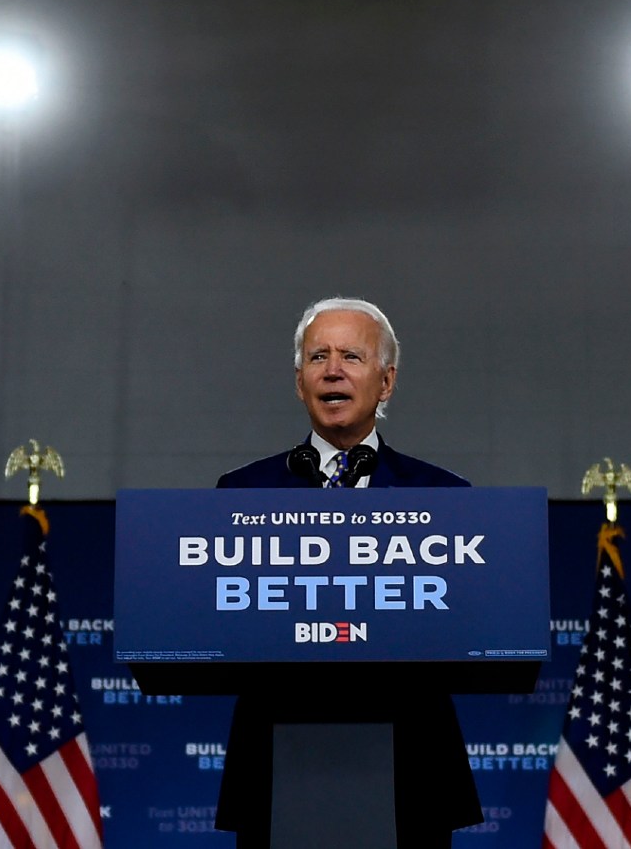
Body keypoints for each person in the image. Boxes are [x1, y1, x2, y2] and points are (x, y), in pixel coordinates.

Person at [213, 296, 483, 849]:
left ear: (385, 383)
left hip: (412, 763)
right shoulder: (240, 494)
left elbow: (467, 626)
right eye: (318, 357)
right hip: (277, 760)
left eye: (351, 357)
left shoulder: (446, 498)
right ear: (299, 381)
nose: (332, 369)